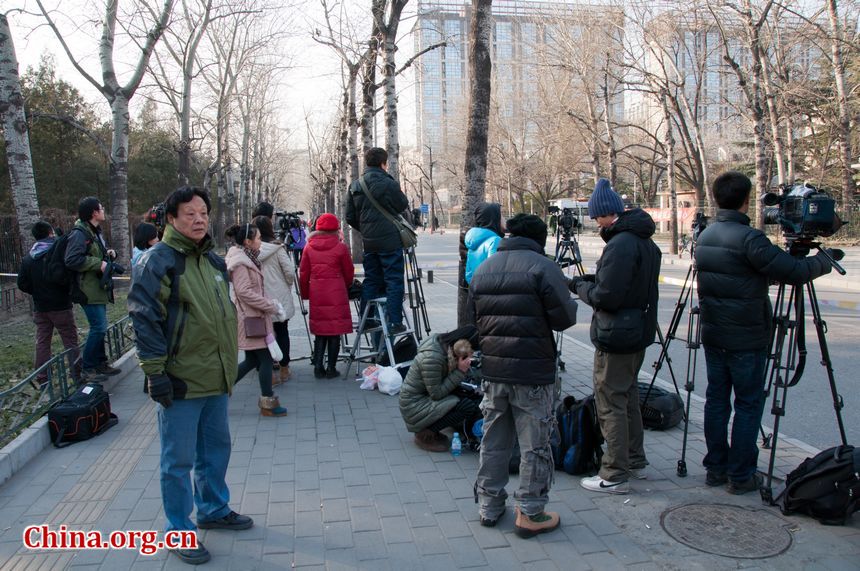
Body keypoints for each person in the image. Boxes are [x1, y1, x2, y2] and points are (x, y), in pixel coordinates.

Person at [128, 186, 252, 566]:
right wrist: (155, 373)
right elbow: (143, 318)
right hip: (179, 381)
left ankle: (213, 509)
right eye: (189, 214)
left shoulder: (214, 263)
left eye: (203, 213)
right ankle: (179, 529)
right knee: (178, 461)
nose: (198, 220)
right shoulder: (158, 261)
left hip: (215, 378)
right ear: (170, 219)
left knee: (216, 450)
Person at [694, 171, 836, 494]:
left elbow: (740, 275)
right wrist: (823, 262)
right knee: (748, 404)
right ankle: (741, 475)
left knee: (716, 401)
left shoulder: (705, 237)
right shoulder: (750, 240)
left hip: (714, 336)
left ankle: (716, 467)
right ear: (745, 200)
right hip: (746, 339)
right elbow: (796, 272)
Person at [470, 213, 578, 538]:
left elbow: (476, 320)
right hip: (532, 373)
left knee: (493, 440)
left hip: (493, 370)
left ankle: (489, 505)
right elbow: (564, 319)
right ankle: (530, 512)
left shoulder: (484, 268)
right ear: (539, 239)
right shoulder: (543, 267)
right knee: (535, 445)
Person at [569, 178, 661, 496]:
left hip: (617, 334)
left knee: (610, 400)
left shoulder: (621, 244)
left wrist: (581, 287)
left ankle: (614, 472)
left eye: (597, 217)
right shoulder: (643, 240)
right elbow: (625, 283)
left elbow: (607, 296)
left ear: (609, 213)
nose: (595, 223)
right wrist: (590, 280)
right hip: (637, 330)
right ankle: (634, 460)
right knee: (628, 397)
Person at [345, 147, 410, 333]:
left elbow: (349, 216)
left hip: (370, 243)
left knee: (371, 280)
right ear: (384, 163)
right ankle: (395, 321)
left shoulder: (356, 185)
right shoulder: (388, 182)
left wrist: (366, 230)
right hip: (390, 241)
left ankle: (367, 319)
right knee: (394, 280)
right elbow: (402, 205)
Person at [226, 223, 287, 417]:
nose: (261, 241)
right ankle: (268, 403)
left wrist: (271, 302)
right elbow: (244, 292)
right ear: (247, 241)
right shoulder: (241, 263)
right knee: (265, 359)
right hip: (251, 319)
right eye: (258, 238)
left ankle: (217, 392)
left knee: (253, 360)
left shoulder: (247, 259)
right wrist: (271, 306)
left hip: (255, 318)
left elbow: (254, 290)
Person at [64, 197, 121, 381]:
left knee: (100, 327)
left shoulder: (94, 231)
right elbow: (72, 259)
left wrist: (109, 254)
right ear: (94, 213)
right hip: (87, 290)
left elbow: (94, 253)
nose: (104, 210)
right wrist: (99, 264)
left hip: (98, 288)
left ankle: (100, 363)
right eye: (101, 208)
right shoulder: (79, 233)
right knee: (98, 327)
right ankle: (88, 368)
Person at [17, 221, 80, 385]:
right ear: (50, 233)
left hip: (40, 307)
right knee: (70, 339)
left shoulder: (29, 258)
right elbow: (67, 276)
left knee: (43, 342)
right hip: (60, 305)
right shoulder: (57, 252)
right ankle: (76, 373)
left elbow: (22, 283)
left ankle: (43, 377)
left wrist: (36, 291)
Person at [399, 326, 481, 452]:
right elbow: (436, 394)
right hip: (414, 406)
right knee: (466, 406)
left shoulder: (444, 345)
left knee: (471, 398)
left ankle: (441, 425)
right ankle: (425, 434)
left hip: (423, 398)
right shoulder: (432, 358)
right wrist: (460, 371)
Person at [299, 213, 354, 378]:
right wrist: (346, 285)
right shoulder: (341, 247)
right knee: (334, 331)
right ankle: (331, 368)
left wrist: (305, 294)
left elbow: (303, 274)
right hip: (336, 292)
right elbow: (349, 271)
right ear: (336, 228)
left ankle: (318, 366)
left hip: (317, 292)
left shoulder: (308, 247)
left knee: (321, 331)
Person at [255, 215, 296, 385]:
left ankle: (268, 371)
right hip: (279, 297)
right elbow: (290, 273)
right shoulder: (277, 249)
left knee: (264, 334)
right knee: (282, 331)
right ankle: (284, 367)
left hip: (259, 298)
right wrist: (286, 286)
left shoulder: (249, 251)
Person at [464, 202, 504, 285]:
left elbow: (469, 274)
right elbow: (495, 273)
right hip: (491, 292)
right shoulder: (495, 241)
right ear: (493, 218)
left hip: (476, 290)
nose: (504, 219)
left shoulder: (473, 241)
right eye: (501, 215)